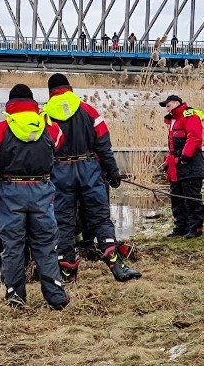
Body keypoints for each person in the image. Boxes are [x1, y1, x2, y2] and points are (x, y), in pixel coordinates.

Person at [0, 84, 70, 310]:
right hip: (42, 192)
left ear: (10, 104)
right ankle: (56, 297)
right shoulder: (50, 128)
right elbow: (59, 144)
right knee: (46, 246)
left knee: (13, 248)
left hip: (10, 195)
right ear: (33, 104)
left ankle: (16, 298)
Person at [43, 73, 141, 283]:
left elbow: (41, 152)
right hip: (89, 169)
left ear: (50, 92)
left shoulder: (46, 115)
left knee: (64, 224)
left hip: (60, 173)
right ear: (69, 88)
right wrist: (113, 173)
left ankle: (68, 274)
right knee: (100, 218)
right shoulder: (88, 110)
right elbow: (104, 146)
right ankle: (117, 265)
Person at [160, 95, 204, 239]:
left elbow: (195, 137)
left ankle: (195, 228)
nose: (166, 107)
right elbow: (172, 148)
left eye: (168, 104)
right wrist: (168, 163)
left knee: (192, 198)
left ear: (177, 103)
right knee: (176, 198)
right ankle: (180, 227)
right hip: (176, 166)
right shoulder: (173, 121)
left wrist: (186, 156)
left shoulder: (190, 116)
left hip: (190, 165)